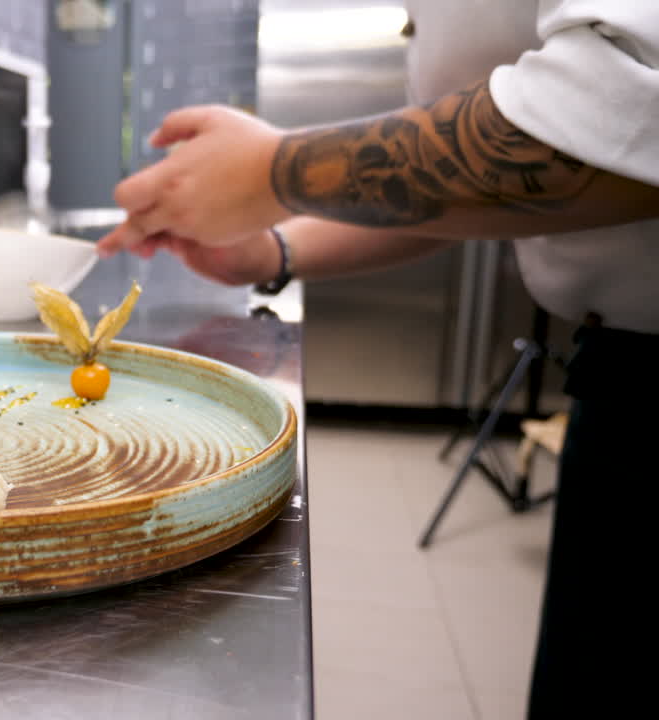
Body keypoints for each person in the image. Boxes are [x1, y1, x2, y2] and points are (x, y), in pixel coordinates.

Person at [97, 1, 659, 717]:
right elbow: (468, 191)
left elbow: (618, 115)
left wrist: (272, 171)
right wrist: (273, 251)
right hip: (616, 376)